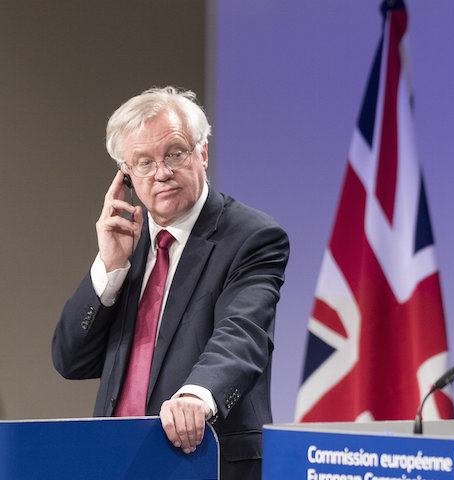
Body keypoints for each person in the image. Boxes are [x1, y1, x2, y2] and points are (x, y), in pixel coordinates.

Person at [52, 86, 289, 479]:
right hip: (118, 462)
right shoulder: (128, 242)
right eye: (144, 162)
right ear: (126, 176)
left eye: (175, 154)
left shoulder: (252, 236)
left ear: (202, 153)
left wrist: (197, 396)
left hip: (204, 459)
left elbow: (243, 333)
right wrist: (110, 268)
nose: (161, 173)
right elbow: (70, 360)